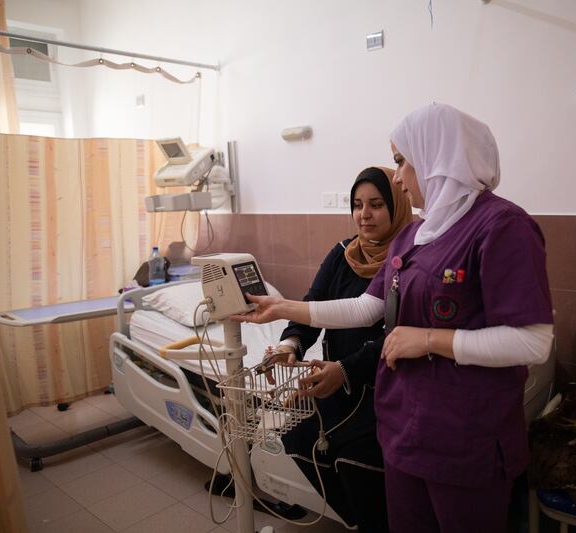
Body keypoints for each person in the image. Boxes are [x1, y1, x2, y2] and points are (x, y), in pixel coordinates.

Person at [237, 103, 554, 532]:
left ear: (437, 156)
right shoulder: (415, 233)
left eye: (402, 161)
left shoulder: (502, 226)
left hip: (465, 437)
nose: (399, 176)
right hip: (404, 427)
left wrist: (427, 340)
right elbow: (366, 307)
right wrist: (282, 308)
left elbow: (531, 341)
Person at [266, 166, 412, 533]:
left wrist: (345, 370)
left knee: (356, 458)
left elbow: (399, 332)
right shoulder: (342, 254)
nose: (365, 214)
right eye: (358, 204)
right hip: (334, 385)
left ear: (396, 206)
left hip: (384, 389)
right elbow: (313, 304)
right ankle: (358, 521)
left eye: (377, 204)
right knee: (298, 438)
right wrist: (291, 343)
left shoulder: (409, 257)